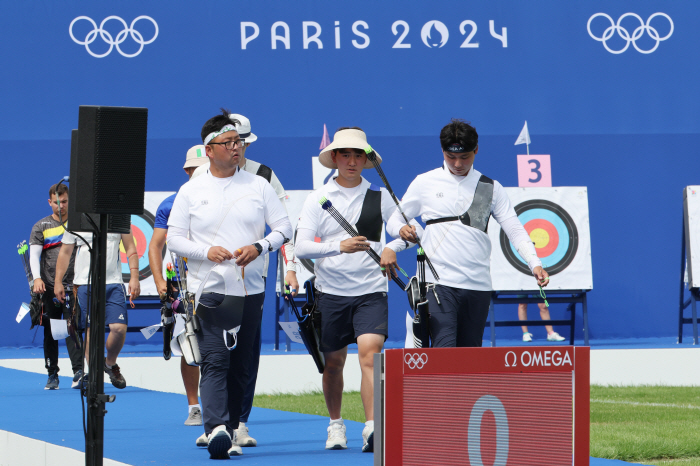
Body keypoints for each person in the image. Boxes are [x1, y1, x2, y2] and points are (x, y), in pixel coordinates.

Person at [167, 109, 292, 459]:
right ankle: (216, 428)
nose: (236, 148)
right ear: (209, 149)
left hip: (252, 286)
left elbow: (285, 228)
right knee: (216, 357)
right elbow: (175, 239)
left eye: (238, 142)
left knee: (244, 360)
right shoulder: (191, 190)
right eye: (228, 142)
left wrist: (259, 246)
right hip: (209, 287)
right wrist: (207, 251)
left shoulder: (259, 185)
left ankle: (237, 425)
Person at [386, 119, 550, 348]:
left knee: (469, 355)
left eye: (465, 157)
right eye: (451, 157)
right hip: (437, 283)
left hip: (478, 286)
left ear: (476, 150)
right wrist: (401, 230)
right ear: (442, 151)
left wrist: (535, 263)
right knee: (444, 350)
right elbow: (394, 220)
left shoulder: (491, 187)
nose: (457, 163)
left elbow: (514, 229)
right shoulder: (424, 182)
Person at [295, 127, 408, 453]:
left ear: (365, 160)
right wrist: (338, 246)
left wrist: (394, 246)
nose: (352, 161)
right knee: (333, 364)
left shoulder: (380, 196)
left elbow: (402, 230)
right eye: (345, 154)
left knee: (370, 356)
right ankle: (336, 424)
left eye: (359, 154)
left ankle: (372, 427)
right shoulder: (318, 198)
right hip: (331, 293)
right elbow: (301, 246)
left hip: (372, 291)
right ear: (334, 158)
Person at [148, 145, 209, 426]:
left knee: (220, 346)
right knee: (189, 345)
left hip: (219, 283)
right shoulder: (171, 204)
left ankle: (221, 405)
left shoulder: (222, 198)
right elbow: (156, 246)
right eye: (197, 169)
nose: (202, 173)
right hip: (183, 287)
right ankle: (194, 406)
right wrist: (160, 281)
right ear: (187, 171)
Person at [54, 223, 141, 389]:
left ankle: (109, 363)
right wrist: (58, 281)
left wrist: (134, 277)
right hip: (84, 284)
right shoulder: (76, 218)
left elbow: (130, 248)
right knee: (90, 330)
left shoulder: (119, 217)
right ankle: (94, 374)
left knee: (119, 328)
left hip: (113, 283)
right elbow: (65, 253)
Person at [28, 183, 83, 390]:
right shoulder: (40, 226)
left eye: (65, 201)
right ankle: (52, 374)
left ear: (70, 200)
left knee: (73, 327)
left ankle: (78, 372)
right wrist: (37, 279)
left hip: (74, 286)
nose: (60, 206)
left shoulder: (79, 223)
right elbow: (34, 255)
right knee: (51, 331)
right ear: (49, 202)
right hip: (49, 287)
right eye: (56, 202)